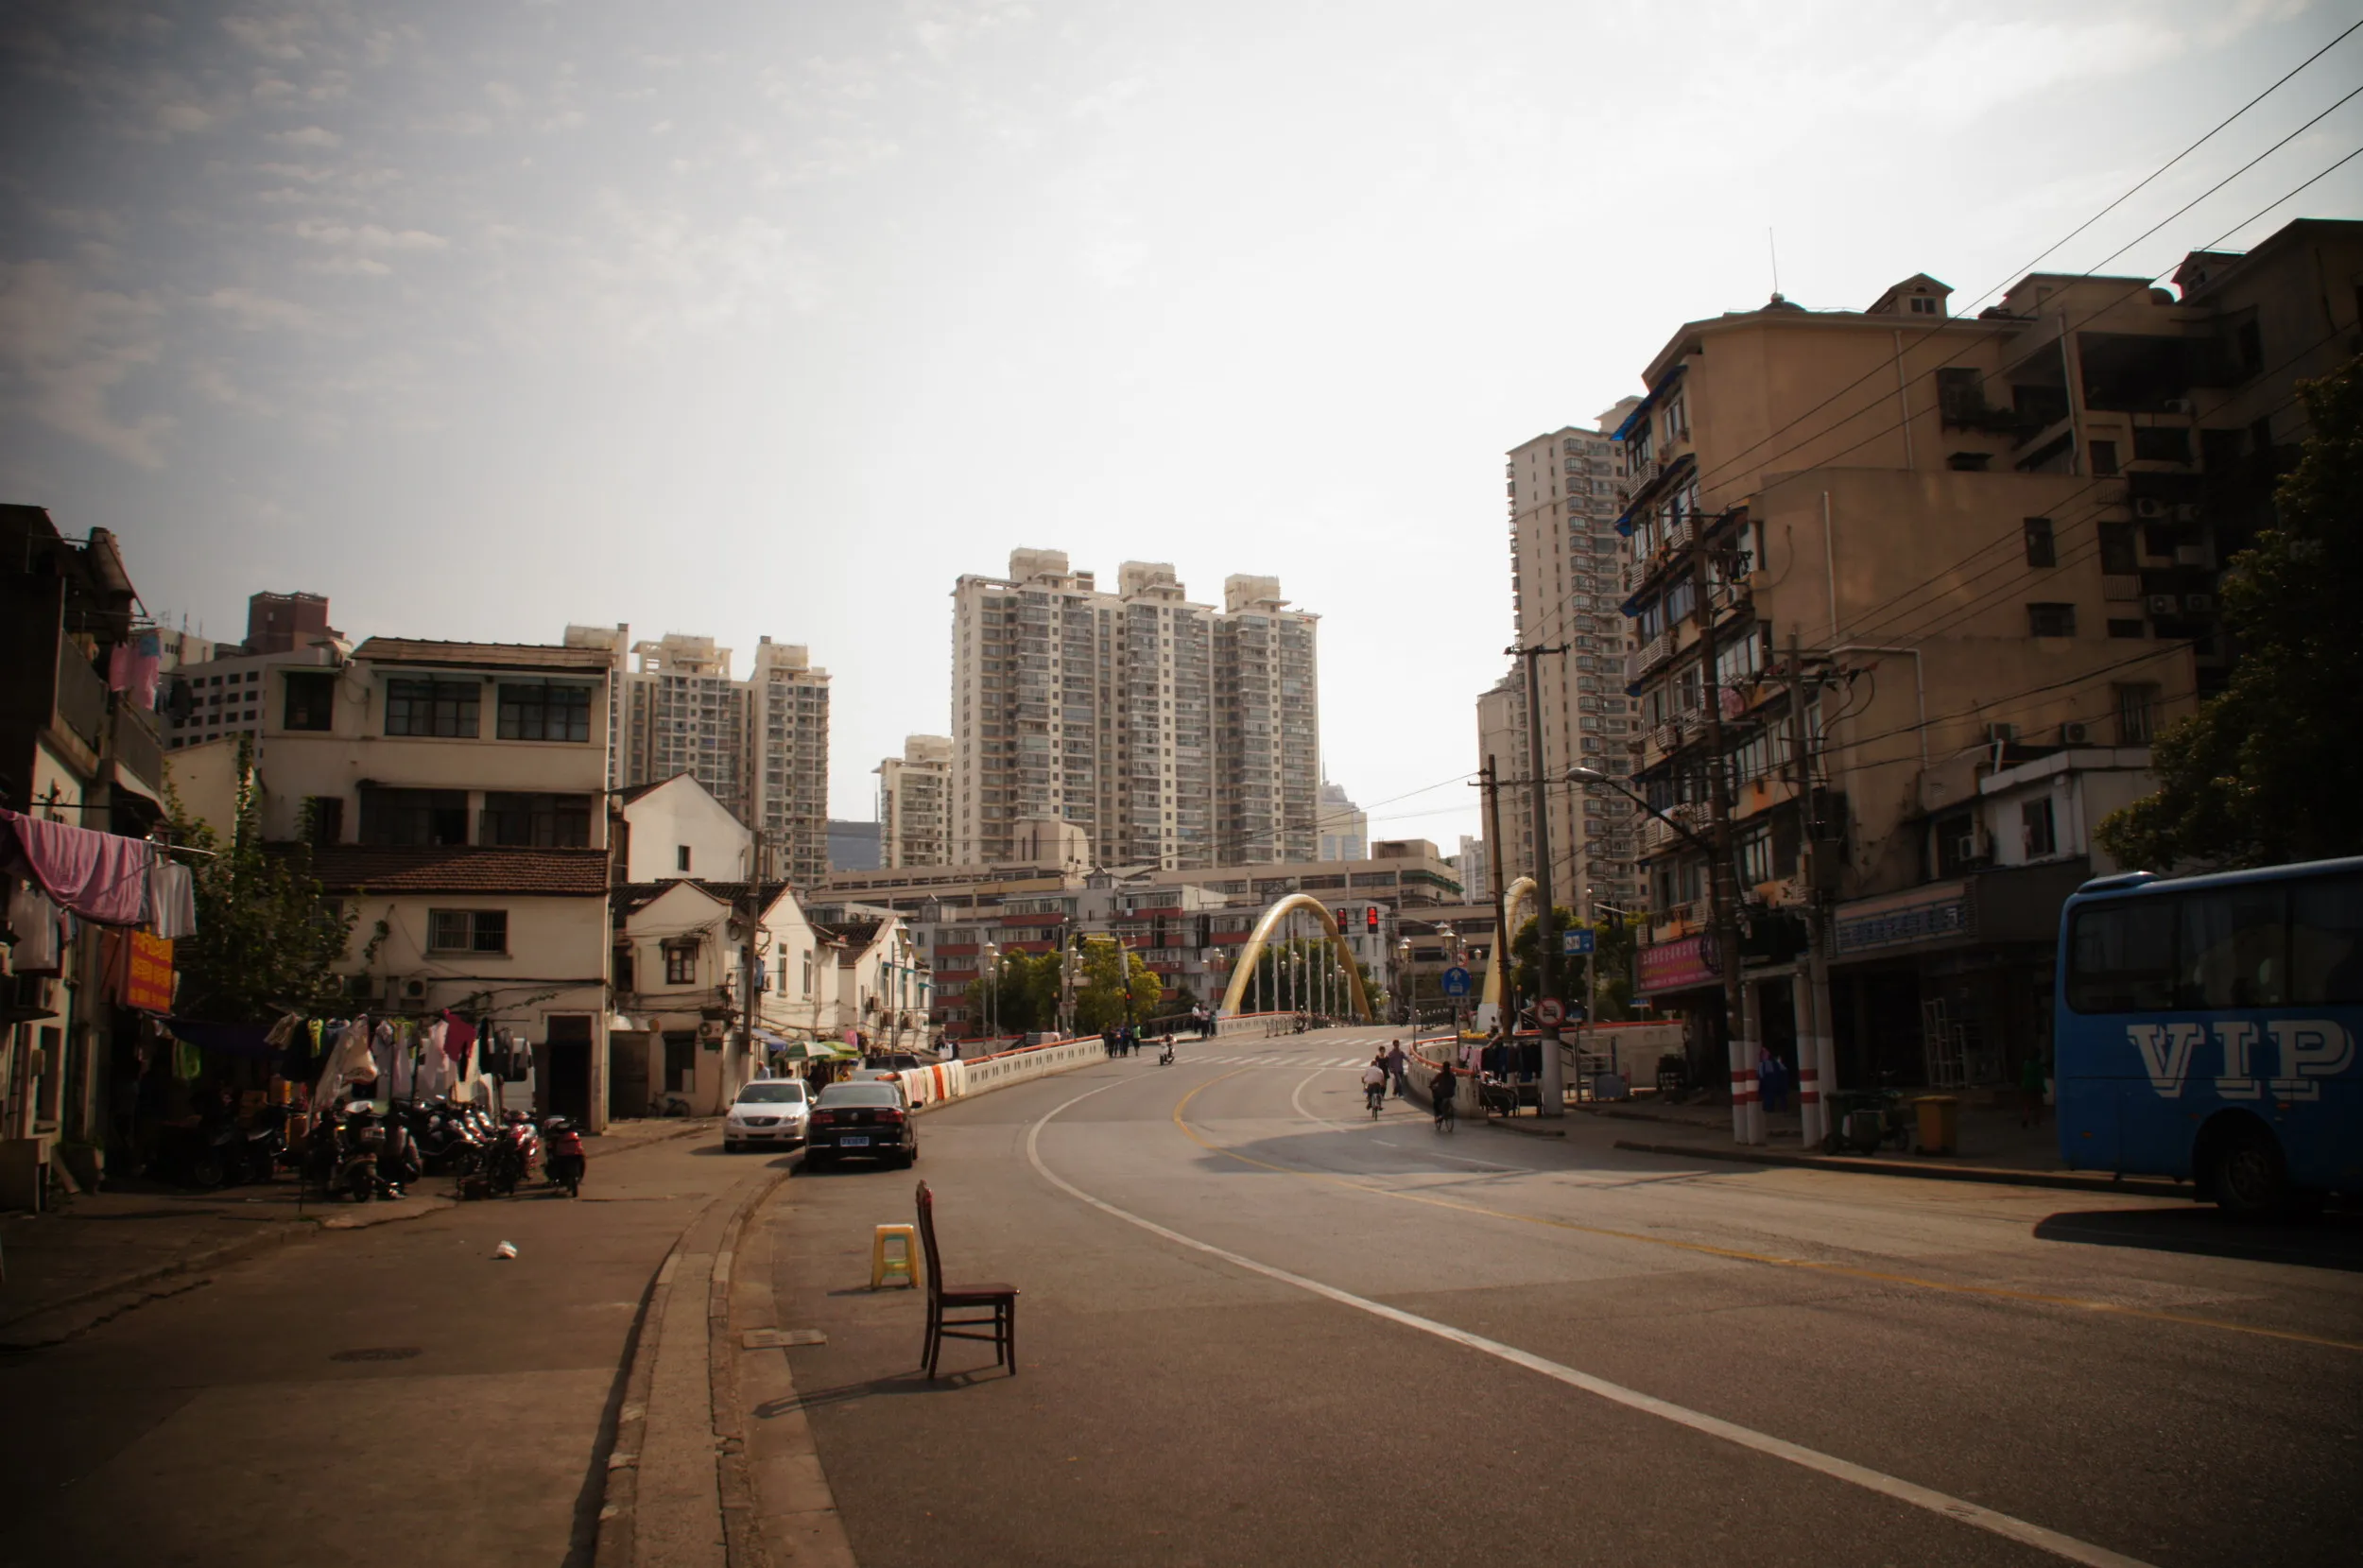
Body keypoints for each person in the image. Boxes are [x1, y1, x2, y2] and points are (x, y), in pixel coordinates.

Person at [2019, 1051, 2047, 1129]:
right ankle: (2037, 1121)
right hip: (2036, 1087)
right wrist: (2044, 1089)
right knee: (2038, 1105)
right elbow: (2040, 1078)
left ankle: (2025, 1119)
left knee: (2027, 1105)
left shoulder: (2026, 1064)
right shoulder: (2038, 1066)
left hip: (2026, 1086)